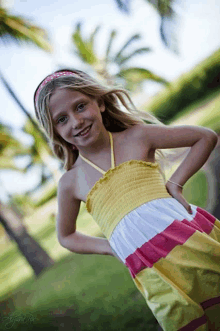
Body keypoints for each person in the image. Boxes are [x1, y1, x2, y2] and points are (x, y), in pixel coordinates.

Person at [34, 69, 220, 331]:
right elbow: (66, 236)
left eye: (80, 106)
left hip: (193, 241)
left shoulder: (137, 136)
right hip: (151, 269)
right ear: (54, 130)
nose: (76, 121)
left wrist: (174, 184)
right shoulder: (70, 183)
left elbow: (205, 137)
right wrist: (111, 247)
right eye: (62, 119)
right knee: (185, 321)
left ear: (99, 102)